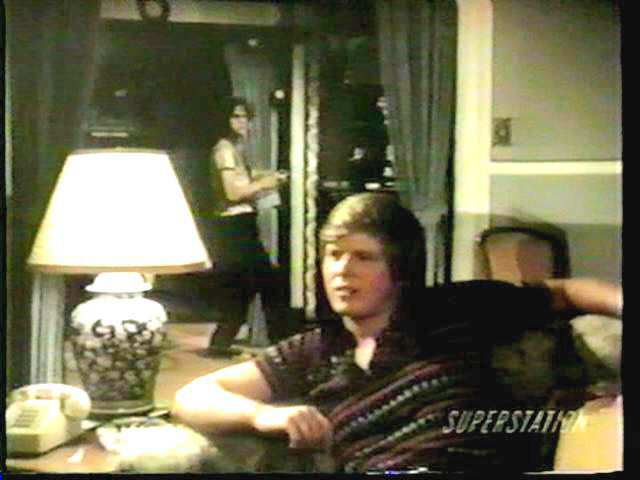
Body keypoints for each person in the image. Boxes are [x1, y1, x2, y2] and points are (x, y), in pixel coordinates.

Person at [172, 193, 622, 472]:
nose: (343, 270)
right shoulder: (316, 348)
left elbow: (567, 292)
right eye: (334, 255)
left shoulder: (456, 308)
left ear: (399, 267)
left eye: (364, 257)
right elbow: (192, 396)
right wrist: (263, 416)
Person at [206, 97, 290, 356]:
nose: (243, 122)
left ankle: (221, 343)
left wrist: (263, 177)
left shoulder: (233, 148)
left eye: (245, 117)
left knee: (243, 288)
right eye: (236, 116)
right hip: (235, 225)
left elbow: (240, 182)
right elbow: (232, 192)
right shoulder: (224, 149)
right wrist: (266, 183)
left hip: (239, 223)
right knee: (266, 282)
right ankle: (280, 343)